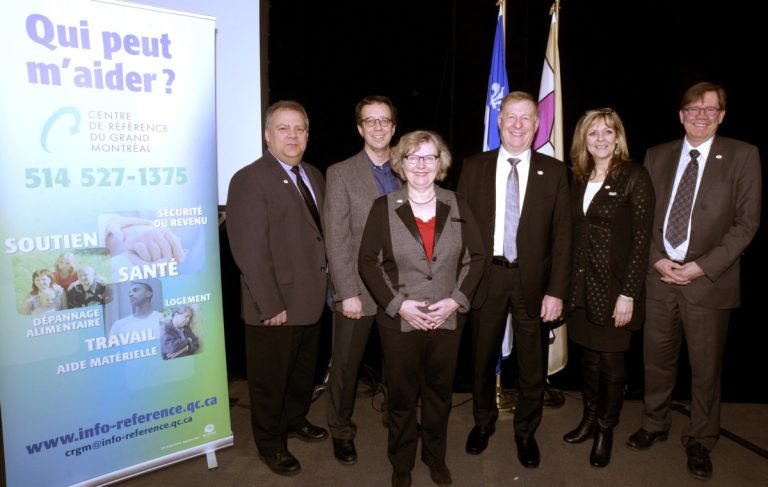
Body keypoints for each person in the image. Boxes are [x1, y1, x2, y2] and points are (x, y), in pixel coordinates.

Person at [626, 82, 761, 481]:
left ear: (721, 115)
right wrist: (656, 261)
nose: (700, 116)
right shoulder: (657, 155)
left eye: (710, 109)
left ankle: (701, 438)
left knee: (704, 368)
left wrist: (700, 267)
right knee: (656, 360)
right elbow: (641, 216)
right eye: (693, 109)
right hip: (660, 277)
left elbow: (746, 224)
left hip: (708, 282)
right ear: (681, 114)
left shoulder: (743, 155)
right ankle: (654, 423)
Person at [359, 130, 485, 487]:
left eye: (430, 157)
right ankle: (401, 464)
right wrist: (399, 306)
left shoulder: (458, 203)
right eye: (413, 157)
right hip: (401, 323)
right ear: (401, 163)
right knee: (400, 398)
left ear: (440, 163)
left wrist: (456, 301)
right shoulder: (383, 207)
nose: (421, 165)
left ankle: (434, 457)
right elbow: (368, 262)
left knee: (438, 396)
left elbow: (476, 259)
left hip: (447, 320)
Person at [457, 91, 571, 468]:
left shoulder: (553, 172)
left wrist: (556, 291)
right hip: (486, 278)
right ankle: (483, 422)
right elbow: (459, 229)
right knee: (481, 357)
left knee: (531, 363)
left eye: (526, 118)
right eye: (510, 117)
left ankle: (526, 431)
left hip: (532, 283)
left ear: (537, 125)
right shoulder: (474, 167)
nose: (518, 125)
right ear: (499, 121)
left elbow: (563, 236)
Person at [226, 100, 329, 477]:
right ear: (267, 135)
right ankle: (271, 443)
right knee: (270, 382)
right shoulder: (250, 179)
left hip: (310, 300)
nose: (292, 135)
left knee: (301, 374)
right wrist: (270, 304)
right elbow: (249, 251)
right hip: (274, 305)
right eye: (283, 128)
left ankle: (295, 419)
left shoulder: (313, 175)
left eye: (299, 128)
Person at [563, 108, 654, 467]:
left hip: (616, 290)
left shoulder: (635, 176)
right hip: (582, 289)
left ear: (618, 137)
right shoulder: (579, 177)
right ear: (583, 140)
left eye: (607, 132)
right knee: (588, 359)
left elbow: (641, 242)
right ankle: (588, 417)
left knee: (612, 364)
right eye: (592, 133)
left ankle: (605, 428)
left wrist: (628, 293)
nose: (599, 139)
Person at [323, 95, 400, 465]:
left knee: (399, 363)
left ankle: (397, 420)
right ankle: (340, 429)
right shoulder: (340, 173)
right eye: (371, 121)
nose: (379, 127)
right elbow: (336, 238)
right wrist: (347, 292)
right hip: (358, 290)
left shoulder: (409, 168)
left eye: (384, 120)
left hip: (404, 291)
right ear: (359, 128)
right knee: (346, 366)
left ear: (394, 126)